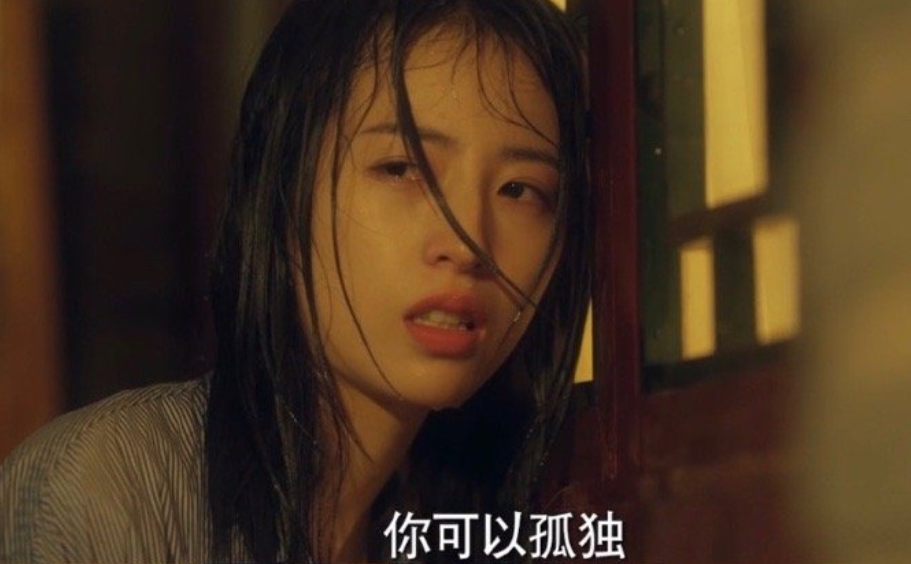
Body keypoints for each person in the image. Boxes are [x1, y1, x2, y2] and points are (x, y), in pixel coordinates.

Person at [0, 0, 590, 562]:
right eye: (401, 168)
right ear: (284, 187)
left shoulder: (500, 523)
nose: (468, 244)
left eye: (519, 190)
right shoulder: (106, 490)